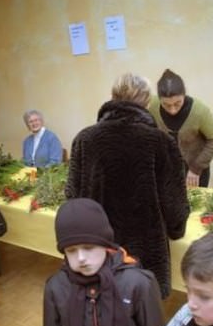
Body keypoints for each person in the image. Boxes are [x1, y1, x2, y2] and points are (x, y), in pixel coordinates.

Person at [65, 72, 190, 299]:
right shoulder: (160, 142)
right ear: (146, 101)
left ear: (113, 97)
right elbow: (175, 203)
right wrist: (176, 230)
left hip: (101, 247)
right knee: (144, 305)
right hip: (147, 249)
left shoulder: (85, 139)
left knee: (104, 303)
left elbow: (72, 196)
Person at [44, 198, 165, 326]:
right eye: (71, 250)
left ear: (105, 244)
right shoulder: (56, 287)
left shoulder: (138, 284)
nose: (81, 257)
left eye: (88, 247)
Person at [148, 69, 213, 187]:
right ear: (159, 99)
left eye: (177, 103)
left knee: (195, 203)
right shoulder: (152, 105)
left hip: (195, 170)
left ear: (184, 95)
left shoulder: (199, 111)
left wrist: (196, 168)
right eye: (166, 105)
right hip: (167, 168)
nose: (172, 110)